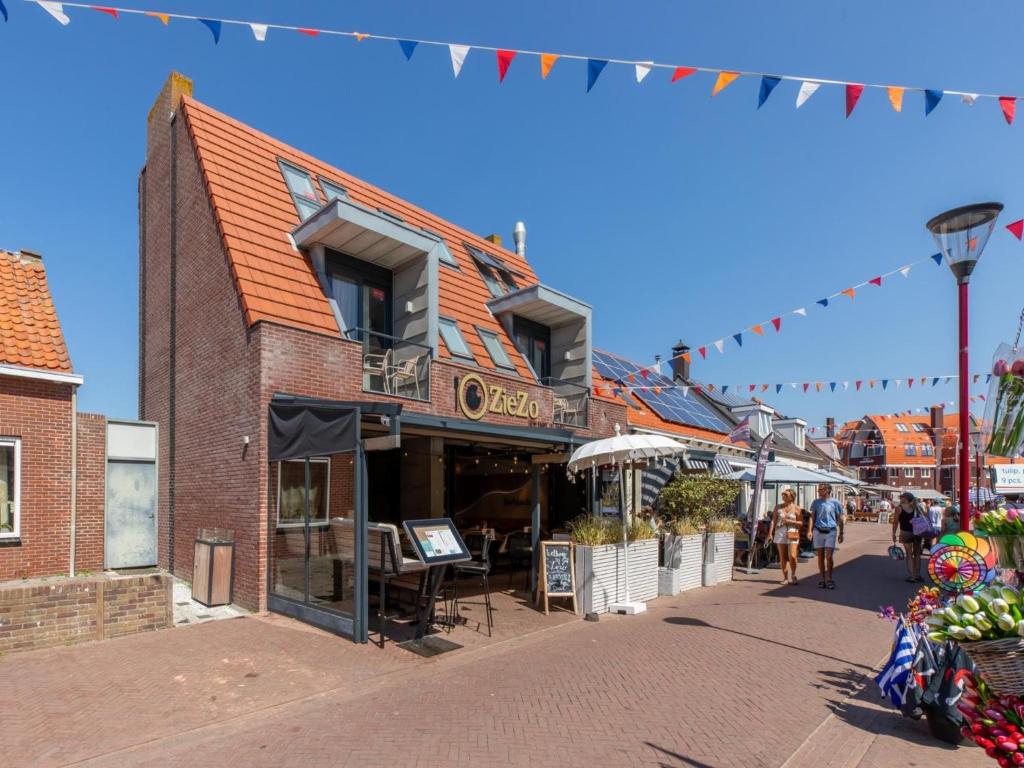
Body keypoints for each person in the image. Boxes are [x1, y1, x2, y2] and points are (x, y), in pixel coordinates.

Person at [810, 483, 845, 589]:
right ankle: (822, 579)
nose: (819, 491)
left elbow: (840, 518)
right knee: (820, 556)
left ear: (827, 490)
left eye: (821, 489)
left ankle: (829, 578)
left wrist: (841, 532)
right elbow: (812, 517)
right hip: (818, 530)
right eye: (819, 489)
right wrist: (809, 530)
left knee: (829, 556)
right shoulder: (816, 502)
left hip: (831, 531)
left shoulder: (835, 502)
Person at [768, 487, 802, 585]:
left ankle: (794, 574)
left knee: (792, 556)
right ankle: (785, 577)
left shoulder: (797, 508)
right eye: (782, 494)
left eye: (785, 494)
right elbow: (773, 520)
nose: (783, 496)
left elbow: (800, 523)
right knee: (782, 556)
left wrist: (790, 521)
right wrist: (770, 533)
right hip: (780, 532)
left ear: (792, 497)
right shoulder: (778, 507)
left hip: (792, 531)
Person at [892, 491, 927, 582]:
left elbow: (895, 522)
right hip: (917, 532)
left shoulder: (899, 508)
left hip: (905, 532)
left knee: (909, 554)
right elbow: (925, 517)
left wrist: (893, 533)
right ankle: (917, 574)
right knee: (917, 554)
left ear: (905, 499)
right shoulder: (917, 507)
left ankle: (912, 576)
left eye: (902, 497)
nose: (900, 499)